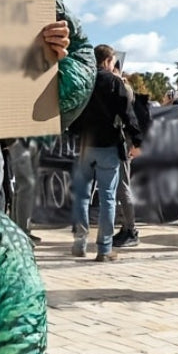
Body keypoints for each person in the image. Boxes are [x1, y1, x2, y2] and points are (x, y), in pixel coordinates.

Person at [69, 45, 141, 261]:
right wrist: (137, 140)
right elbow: (127, 113)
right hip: (108, 144)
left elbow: (72, 110)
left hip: (84, 145)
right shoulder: (114, 82)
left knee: (82, 196)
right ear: (108, 60)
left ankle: (79, 243)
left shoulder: (84, 80)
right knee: (108, 197)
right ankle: (104, 248)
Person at [112, 70, 152, 248]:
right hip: (124, 143)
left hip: (124, 144)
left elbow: (126, 115)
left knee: (123, 186)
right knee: (121, 187)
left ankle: (130, 230)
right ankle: (126, 227)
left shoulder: (123, 88)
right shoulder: (122, 86)